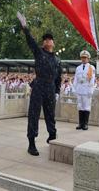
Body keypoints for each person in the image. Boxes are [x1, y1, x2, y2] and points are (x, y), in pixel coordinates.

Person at [17, 12, 62, 156]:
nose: (47, 41)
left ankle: (52, 136)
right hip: (38, 86)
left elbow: (59, 77)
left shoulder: (57, 59)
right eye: (45, 40)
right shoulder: (39, 52)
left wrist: (57, 91)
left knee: (50, 115)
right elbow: (30, 41)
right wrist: (25, 27)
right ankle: (31, 143)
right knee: (34, 114)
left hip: (50, 88)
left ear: (53, 43)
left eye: (50, 39)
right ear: (43, 43)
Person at [73, 50, 96, 130]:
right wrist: (74, 88)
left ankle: (85, 124)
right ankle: (80, 123)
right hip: (79, 89)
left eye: (85, 58)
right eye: (82, 58)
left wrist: (91, 90)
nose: (83, 59)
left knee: (86, 106)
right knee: (80, 106)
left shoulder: (91, 68)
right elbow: (75, 78)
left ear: (88, 58)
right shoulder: (78, 68)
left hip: (87, 89)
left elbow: (92, 79)